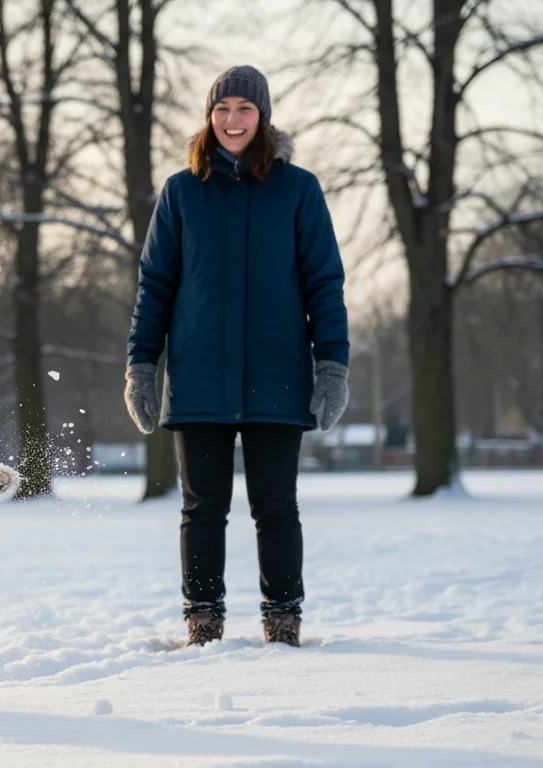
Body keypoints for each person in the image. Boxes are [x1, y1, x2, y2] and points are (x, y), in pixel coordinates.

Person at [124, 65, 350, 648]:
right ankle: (203, 621)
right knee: (202, 509)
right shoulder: (181, 192)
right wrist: (142, 365)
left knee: (275, 507)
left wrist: (332, 366)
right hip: (199, 377)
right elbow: (156, 286)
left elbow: (324, 282)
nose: (232, 120)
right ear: (209, 117)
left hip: (278, 375)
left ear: (263, 116)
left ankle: (283, 620)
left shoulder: (299, 190)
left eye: (244, 109)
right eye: (222, 108)